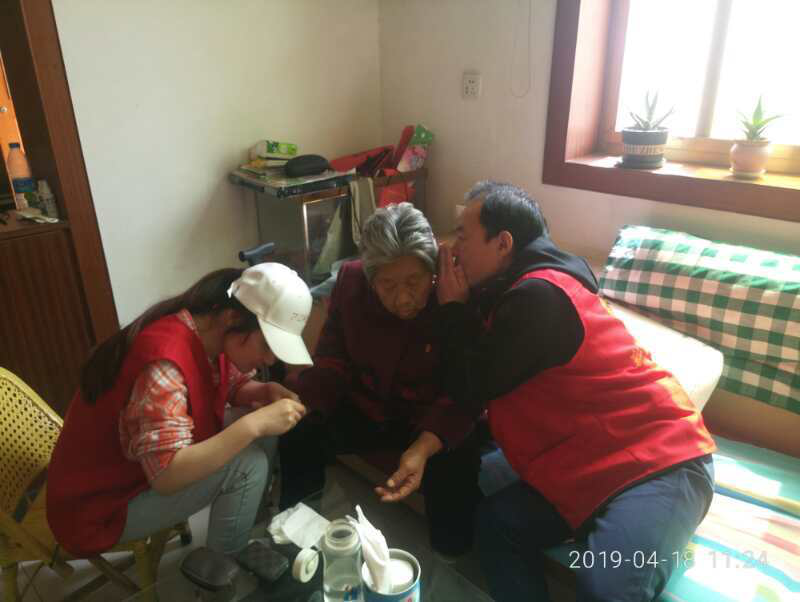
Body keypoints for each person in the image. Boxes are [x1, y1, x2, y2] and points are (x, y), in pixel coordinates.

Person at [435, 181, 716, 601]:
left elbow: (470, 385)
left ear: (503, 244)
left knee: (606, 588)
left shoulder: (540, 296)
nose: (454, 249)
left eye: (462, 236)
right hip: (583, 458)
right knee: (498, 523)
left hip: (662, 460)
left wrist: (452, 309)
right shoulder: (512, 290)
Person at [47, 263, 312, 557]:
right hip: (99, 506)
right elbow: (166, 476)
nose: (270, 360)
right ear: (232, 318)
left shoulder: (208, 331)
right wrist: (254, 425)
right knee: (248, 465)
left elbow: (227, 384)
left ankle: (245, 522)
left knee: (263, 426)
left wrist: (263, 391)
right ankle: (222, 573)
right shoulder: (164, 363)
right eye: (266, 345)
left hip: (136, 469)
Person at [279, 202, 484, 556]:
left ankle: (450, 557)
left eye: (414, 282)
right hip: (368, 405)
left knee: (459, 455)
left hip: (428, 419)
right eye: (387, 285)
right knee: (299, 429)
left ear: (432, 271)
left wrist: (422, 448)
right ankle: (296, 538)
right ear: (370, 277)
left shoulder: (457, 292)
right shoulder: (351, 281)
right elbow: (333, 356)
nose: (402, 299)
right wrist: (302, 402)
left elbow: (465, 389)